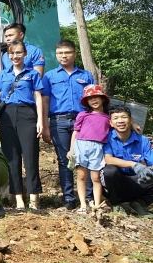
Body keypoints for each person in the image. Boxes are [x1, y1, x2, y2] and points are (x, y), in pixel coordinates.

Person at [0, 41, 45, 212]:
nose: (15, 56)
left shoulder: (32, 74)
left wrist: (41, 120)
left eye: (19, 53)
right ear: (8, 55)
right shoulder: (3, 74)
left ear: (25, 54)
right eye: (12, 53)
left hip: (27, 114)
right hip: (7, 116)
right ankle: (19, 200)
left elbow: (38, 97)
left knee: (30, 156)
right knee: (12, 159)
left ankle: (34, 199)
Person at [41, 39, 95, 209]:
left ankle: (88, 198)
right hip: (59, 121)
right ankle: (69, 199)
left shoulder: (86, 76)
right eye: (60, 53)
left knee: (85, 159)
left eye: (67, 52)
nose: (63, 56)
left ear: (74, 54)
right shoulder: (49, 76)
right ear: (56, 55)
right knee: (65, 160)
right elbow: (45, 100)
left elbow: (94, 100)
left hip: (83, 121)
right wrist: (45, 125)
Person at [101, 105, 153, 218]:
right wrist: (134, 164)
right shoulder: (106, 138)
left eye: (124, 117)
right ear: (111, 123)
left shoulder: (143, 140)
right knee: (109, 171)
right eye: (116, 118)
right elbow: (108, 159)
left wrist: (148, 170)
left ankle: (139, 204)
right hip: (114, 184)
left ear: (131, 120)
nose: (120, 121)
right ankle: (115, 204)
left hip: (136, 182)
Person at [68, 85, 110, 214]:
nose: (93, 100)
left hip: (98, 148)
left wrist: (133, 124)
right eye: (90, 98)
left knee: (96, 178)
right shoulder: (83, 115)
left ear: (102, 99)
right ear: (87, 102)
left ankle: (97, 205)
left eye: (96, 97)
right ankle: (83, 205)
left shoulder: (108, 117)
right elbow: (75, 132)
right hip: (81, 146)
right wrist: (71, 150)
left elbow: (120, 124)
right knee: (81, 176)